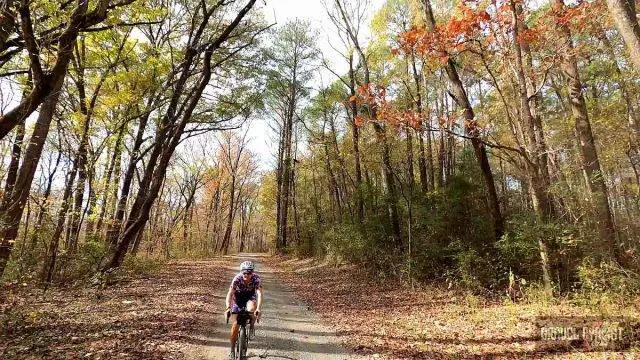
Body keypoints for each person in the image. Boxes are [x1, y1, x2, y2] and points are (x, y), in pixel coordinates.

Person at [225, 260, 263, 359]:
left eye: (249, 273)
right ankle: (232, 349)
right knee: (235, 326)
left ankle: (252, 325)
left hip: (250, 296)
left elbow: (259, 294)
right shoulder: (237, 278)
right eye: (244, 272)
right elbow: (230, 293)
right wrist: (228, 307)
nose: (246, 275)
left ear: (252, 272)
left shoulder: (256, 279)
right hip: (238, 298)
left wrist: (258, 308)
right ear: (241, 272)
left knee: (251, 309)